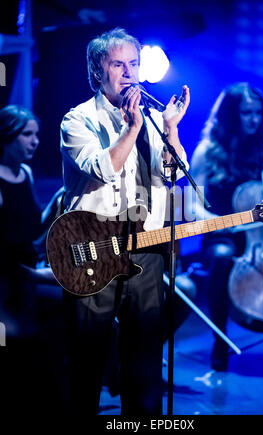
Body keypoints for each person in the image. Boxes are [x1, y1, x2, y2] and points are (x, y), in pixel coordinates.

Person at [60, 27, 190, 415]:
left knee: (145, 358)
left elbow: (172, 175)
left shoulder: (149, 119)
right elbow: (102, 168)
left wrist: (169, 127)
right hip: (91, 248)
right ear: (97, 71)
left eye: (134, 64)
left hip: (143, 246)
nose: (129, 72)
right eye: (118, 64)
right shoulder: (77, 119)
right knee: (88, 357)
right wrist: (132, 128)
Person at [190, 82, 263, 371]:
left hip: (261, 236)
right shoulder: (207, 151)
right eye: (246, 113)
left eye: (258, 113)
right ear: (231, 115)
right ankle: (220, 341)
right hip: (223, 233)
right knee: (222, 257)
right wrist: (215, 223)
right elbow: (192, 204)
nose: (254, 120)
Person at [0, 104, 64, 413]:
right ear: (7, 136)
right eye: (27, 134)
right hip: (8, 278)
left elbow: (31, 230)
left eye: (36, 134)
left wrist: (56, 204)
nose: (35, 141)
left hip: (27, 271)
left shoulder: (24, 173)